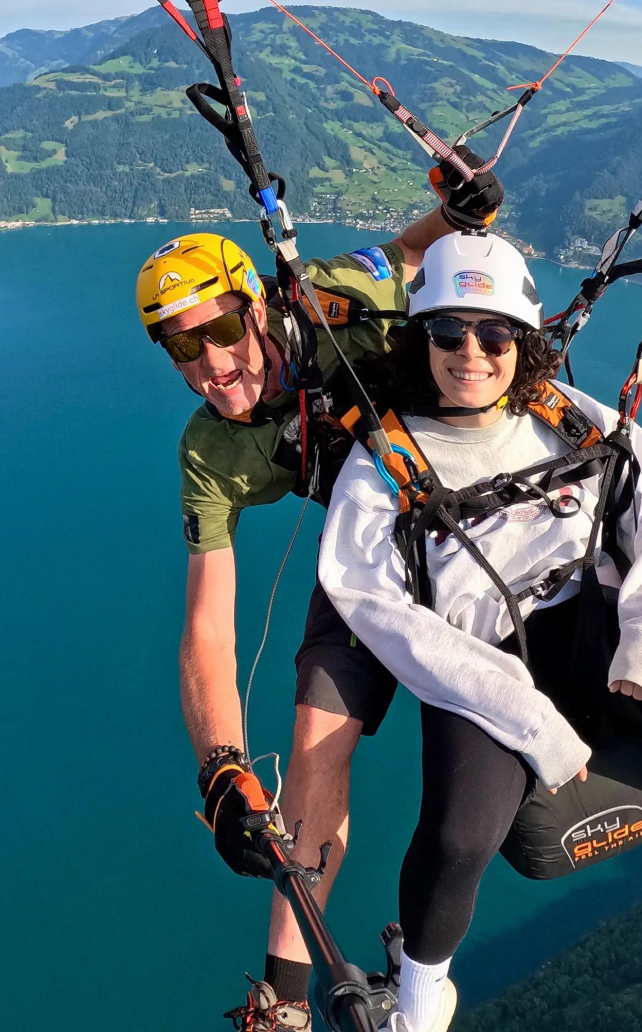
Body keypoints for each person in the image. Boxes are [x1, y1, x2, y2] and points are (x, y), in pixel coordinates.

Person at [135, 156, 504, 1030]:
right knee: (312, 741)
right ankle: (285, 1002)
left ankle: (422, 964)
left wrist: (465, 206)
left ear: (256, 306)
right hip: (368, 557)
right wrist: (222, 766)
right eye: (182, 346)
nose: (212, 363)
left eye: (223, 329)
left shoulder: (326, 302)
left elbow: (414, 251)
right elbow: (207, 628)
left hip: (471, 516)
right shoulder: (210, 453)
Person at [317, 231, 642, 1032]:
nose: (471, 353)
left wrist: (640, 645)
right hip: (480, 663)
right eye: (447, 332)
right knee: (460, 836)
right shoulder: (385, 460)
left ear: (522, 342)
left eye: (494, 335)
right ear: (420, 338)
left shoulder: (570, 419)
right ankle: (421, 1000)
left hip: (595, 629)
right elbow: (374, 606)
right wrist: (531, 721)